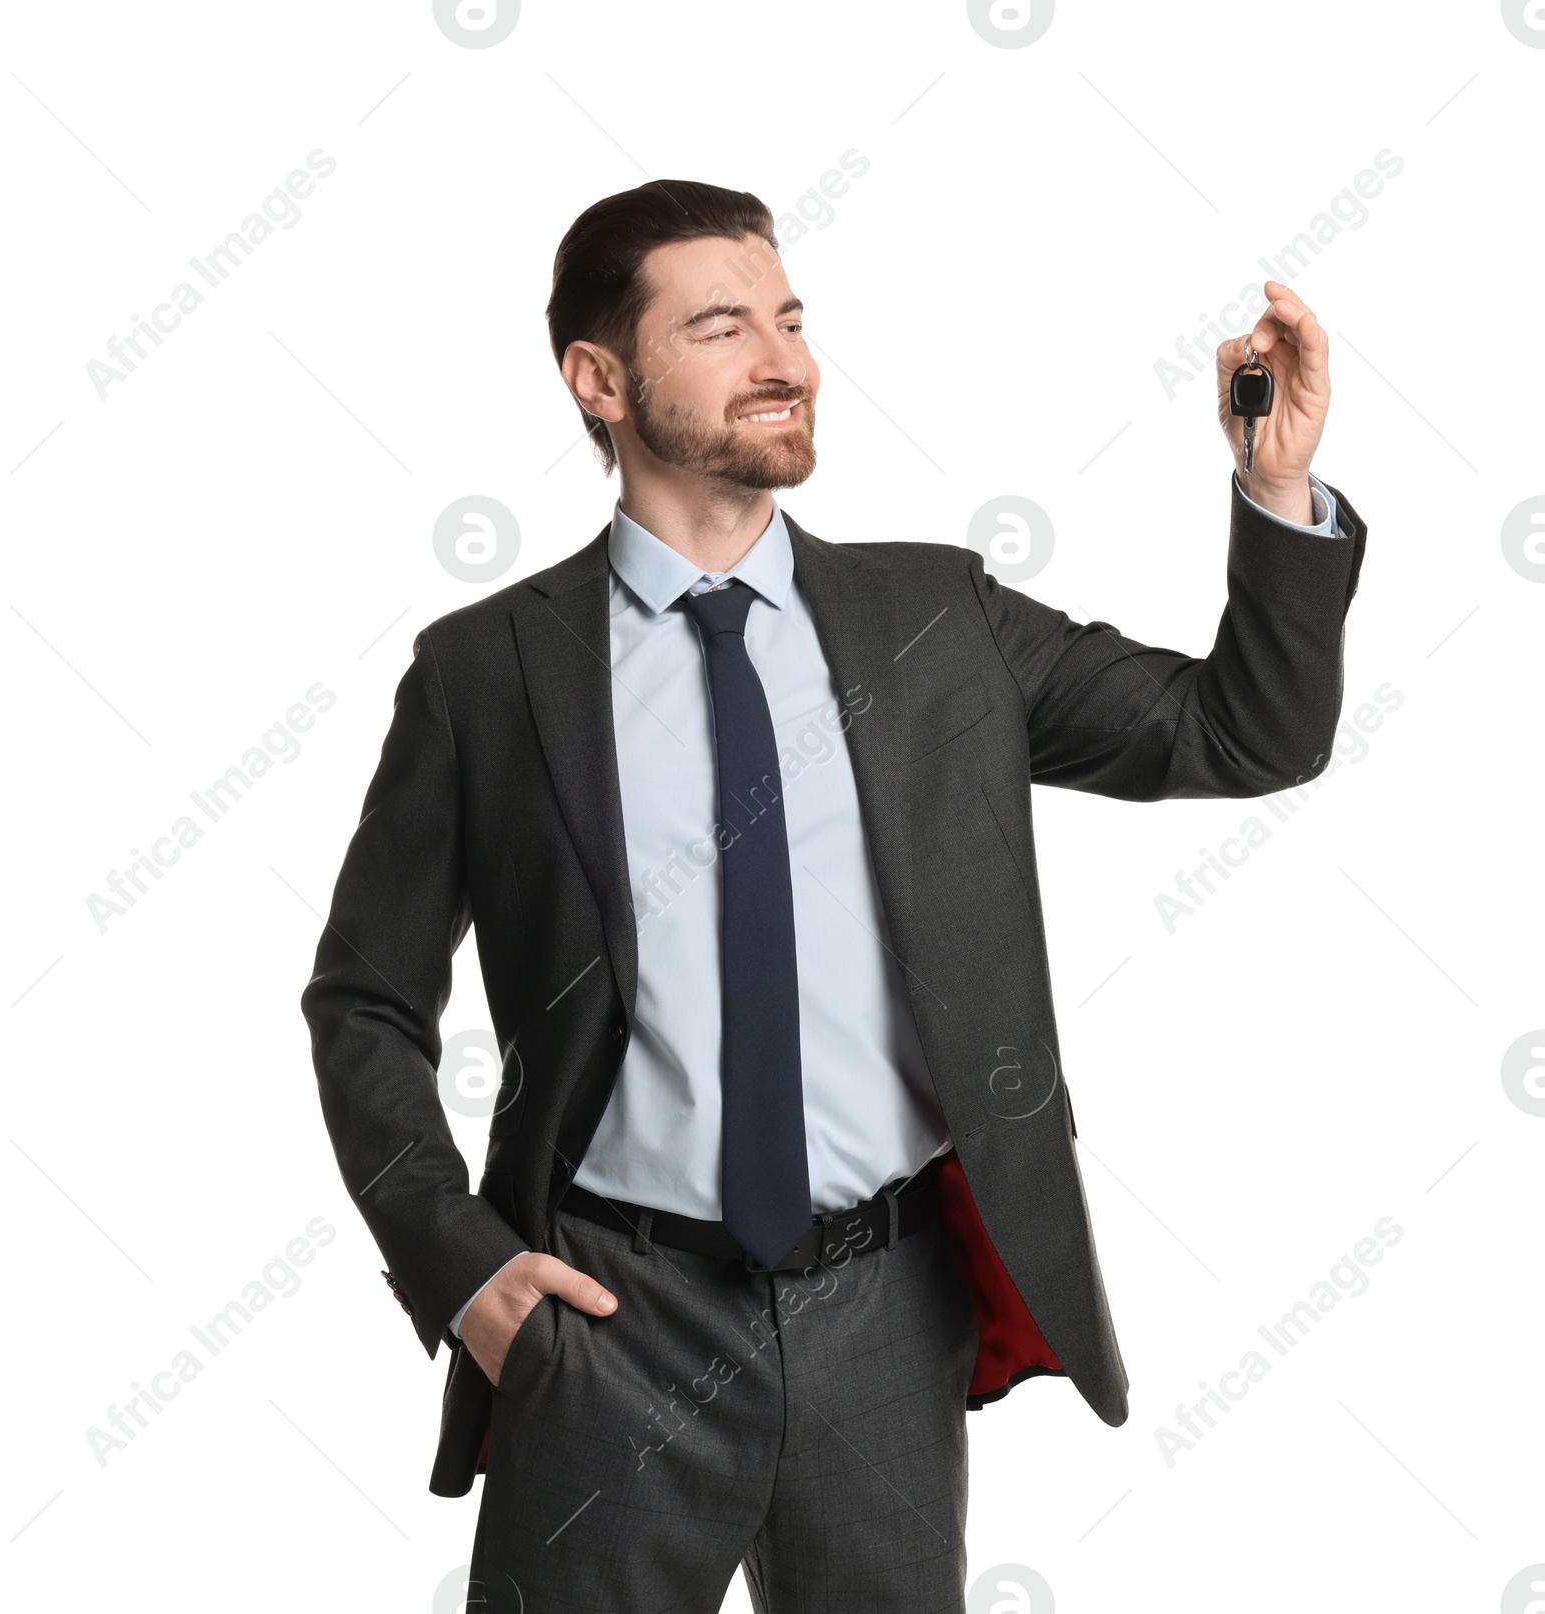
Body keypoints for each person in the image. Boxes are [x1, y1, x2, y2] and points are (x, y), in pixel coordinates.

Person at [299, 178, 1366, 1613]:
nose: (784, 360)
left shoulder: (939, 622)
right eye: (724, 325)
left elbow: (1245, 732)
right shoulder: (488, 673)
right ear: (599, 379)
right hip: (611, 1322)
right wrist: (463, 1268)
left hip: (886, 1314)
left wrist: (1274, 487)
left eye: (792, 320)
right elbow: (364, 1003)